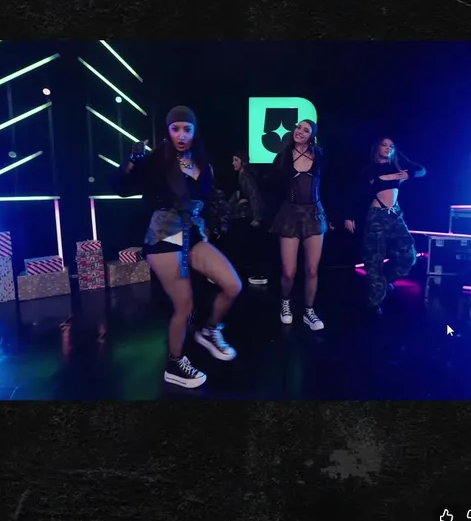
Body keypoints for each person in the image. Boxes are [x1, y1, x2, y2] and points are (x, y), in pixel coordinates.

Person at [114, 106, 242, 388]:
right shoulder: (157, 161)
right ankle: (174, 364)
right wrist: (132, 161)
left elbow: (207, 201)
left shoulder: (203, 163)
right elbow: (122, 188)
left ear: (195, 131)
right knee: (184, 305)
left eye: (187, 129)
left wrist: (208, 227)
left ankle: (209, 331)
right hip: (163, 238)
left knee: (233, 285)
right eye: (175, 129)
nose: (181, 135)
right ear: (168, 131)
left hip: (191, 235)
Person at [345, 137, 426, 312]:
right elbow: (356, 192)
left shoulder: (396, 166)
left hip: (396, 215)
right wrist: (349, 216)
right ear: (377, 148)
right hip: (377, 216)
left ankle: (383, 280)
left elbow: (421, 170)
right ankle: (374, 301)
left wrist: (409, 174)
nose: (388, 148)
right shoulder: (370, 169)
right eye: (384, 145)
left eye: (391, 146)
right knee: (374, 258)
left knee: (409, 256)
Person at [268, 119, 330, 331]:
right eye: (298, 127)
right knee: (289, 271)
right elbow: (272, 185)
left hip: (315, 214)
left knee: (312, 269)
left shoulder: (319, 156)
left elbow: (329, 186)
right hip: (290, 214)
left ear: (312, 136)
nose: (300, 131)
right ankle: (285, 302)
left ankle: (309, 311)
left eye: (306, 130)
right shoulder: (283, 156)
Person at [228, 151, 270, 286]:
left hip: (248, 217)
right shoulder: (243, 175)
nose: (233, 163)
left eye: (236, 160)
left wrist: (257, 217)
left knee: (248, 246)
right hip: (246, 216)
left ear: (243, 161)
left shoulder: (246, 176)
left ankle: (255, 274)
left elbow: (254, 196)